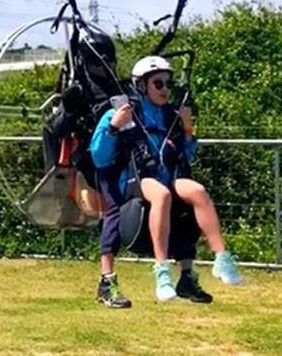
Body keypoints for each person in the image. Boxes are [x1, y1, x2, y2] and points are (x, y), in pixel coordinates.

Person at [89, 55, 242, 304]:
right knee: (161, 195)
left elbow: (187, 154)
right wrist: (114, 127)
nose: (165, 90)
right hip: (134, 181)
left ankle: (221, 260)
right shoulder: (122, 112)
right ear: (141, 86)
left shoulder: (171, 115)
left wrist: (188, 127)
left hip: (168, 177)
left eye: (167, 84)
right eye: (158, 84)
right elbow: (99, 156)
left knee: (198, 192)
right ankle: (160, 273)